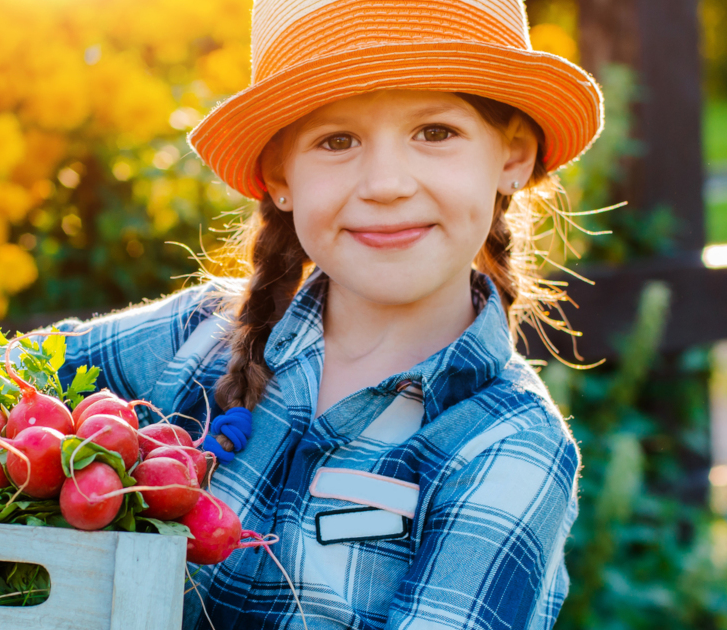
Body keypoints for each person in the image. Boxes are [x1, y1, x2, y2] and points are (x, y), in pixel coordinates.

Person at [51, 1, 603, 628]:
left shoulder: (508, 451)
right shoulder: (198, 335)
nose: (387, 183)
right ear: (279, 174)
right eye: (337, 140)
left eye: (436, 132)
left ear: (512, 157)